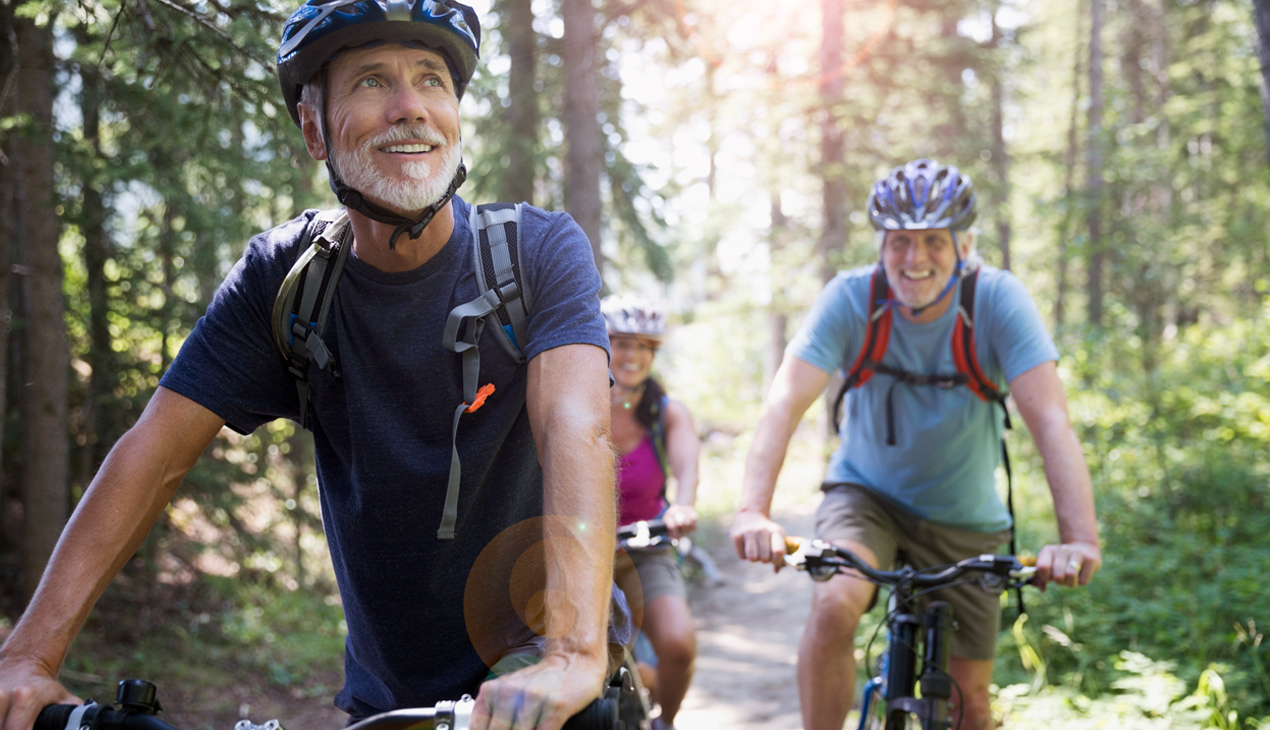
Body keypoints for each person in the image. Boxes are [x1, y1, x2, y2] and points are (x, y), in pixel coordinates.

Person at [0, 2, 621, 730]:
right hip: (383, 701)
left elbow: (577, 429)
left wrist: (574, 654)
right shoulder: (287, 282)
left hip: (542, 671)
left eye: (432, 80)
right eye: (370, 82)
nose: (410, 107)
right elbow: (152, 456)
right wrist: (29, 659)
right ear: (312, 129)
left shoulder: (536, 255)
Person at [729, 159, 1102, 730]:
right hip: (866, 497)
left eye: (933, 240)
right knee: (835, 604)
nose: (914, 258)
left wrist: (1078, 539)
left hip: (966, 516)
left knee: (970, 703)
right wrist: (753, 511)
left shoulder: (997, 301)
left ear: (965, 244)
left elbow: (1050, 421)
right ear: (881, 243)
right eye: (900, 241)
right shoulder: (852, 298)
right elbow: (784, 404)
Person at [603, 295, 699, 730]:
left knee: (678, 644)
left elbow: (686, 470)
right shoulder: (579, 403)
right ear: (602, 343)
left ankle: (666, 722)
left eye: (645, 346)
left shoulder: (667, 413)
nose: (633, 356)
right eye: (622, 343)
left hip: (647, 546)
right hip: (584, 549)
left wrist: (683, 505)